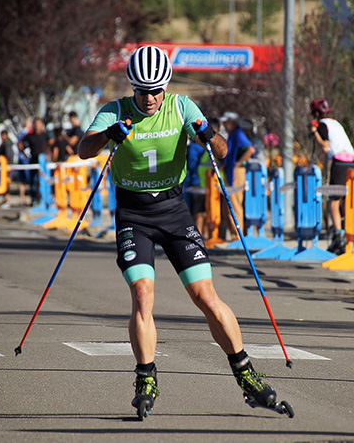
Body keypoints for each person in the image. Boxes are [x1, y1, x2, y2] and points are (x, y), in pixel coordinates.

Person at [78, 45, 281, 418]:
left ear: (167, 86)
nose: (150, 98)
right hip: (134, 213)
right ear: (132, 87)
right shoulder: (115, 110)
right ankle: (146, 377)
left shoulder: (182, 106)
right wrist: (109, 134)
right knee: (142, 294)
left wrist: (208, 131)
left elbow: (220, 151)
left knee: (205, 296)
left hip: (174, 211)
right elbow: (83, 151)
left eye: (157, 90)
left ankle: (246, 374)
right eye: (142, 90)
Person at [309, 98, 354, 255]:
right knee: (347, 202)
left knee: (333, 201)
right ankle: (346, 234)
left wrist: (314, 132)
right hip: (351, 161)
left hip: (340, 162)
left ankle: (339, 235)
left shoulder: (323, 125)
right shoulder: (336, 123)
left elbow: (325, 145)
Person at [221, 112, 255, 241]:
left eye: (226, 122)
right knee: (227, 206)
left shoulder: (238, 133)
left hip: (237, 172)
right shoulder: (232, 134)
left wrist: (238, 164)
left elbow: (250, 149)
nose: (224, 125)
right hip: (230, 172)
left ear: (233, 121)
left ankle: (238, 237)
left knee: (234, 205)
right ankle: (234, 235)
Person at [184, 117, 220, 238]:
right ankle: (198, 236)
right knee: (198, 213)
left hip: (206, 184)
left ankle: (203, 236)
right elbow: (192, 165)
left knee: (204, 212)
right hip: (197, 183)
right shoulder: (196, 146)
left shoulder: (206, 146)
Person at [18, 117, 49, 205]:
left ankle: (43, 199)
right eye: (36, 124)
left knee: (42, 181)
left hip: (43, 162)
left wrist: (48, 155)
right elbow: (20, 143)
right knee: (33, 181)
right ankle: (34, 199)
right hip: (33, 160)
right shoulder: (30, 135)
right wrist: (23, 152)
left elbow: (50, 144)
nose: (38, 126)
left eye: (39, 124)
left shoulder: (44, 135)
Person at [0, 129, 15, 208]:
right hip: (4, 167)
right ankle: (5, 199)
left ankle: (7, 200)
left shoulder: (7, 144)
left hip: (6, 167)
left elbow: (9, 156)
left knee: (6, 184)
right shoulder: (4, 143)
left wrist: (8, 165)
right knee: (4, 183)